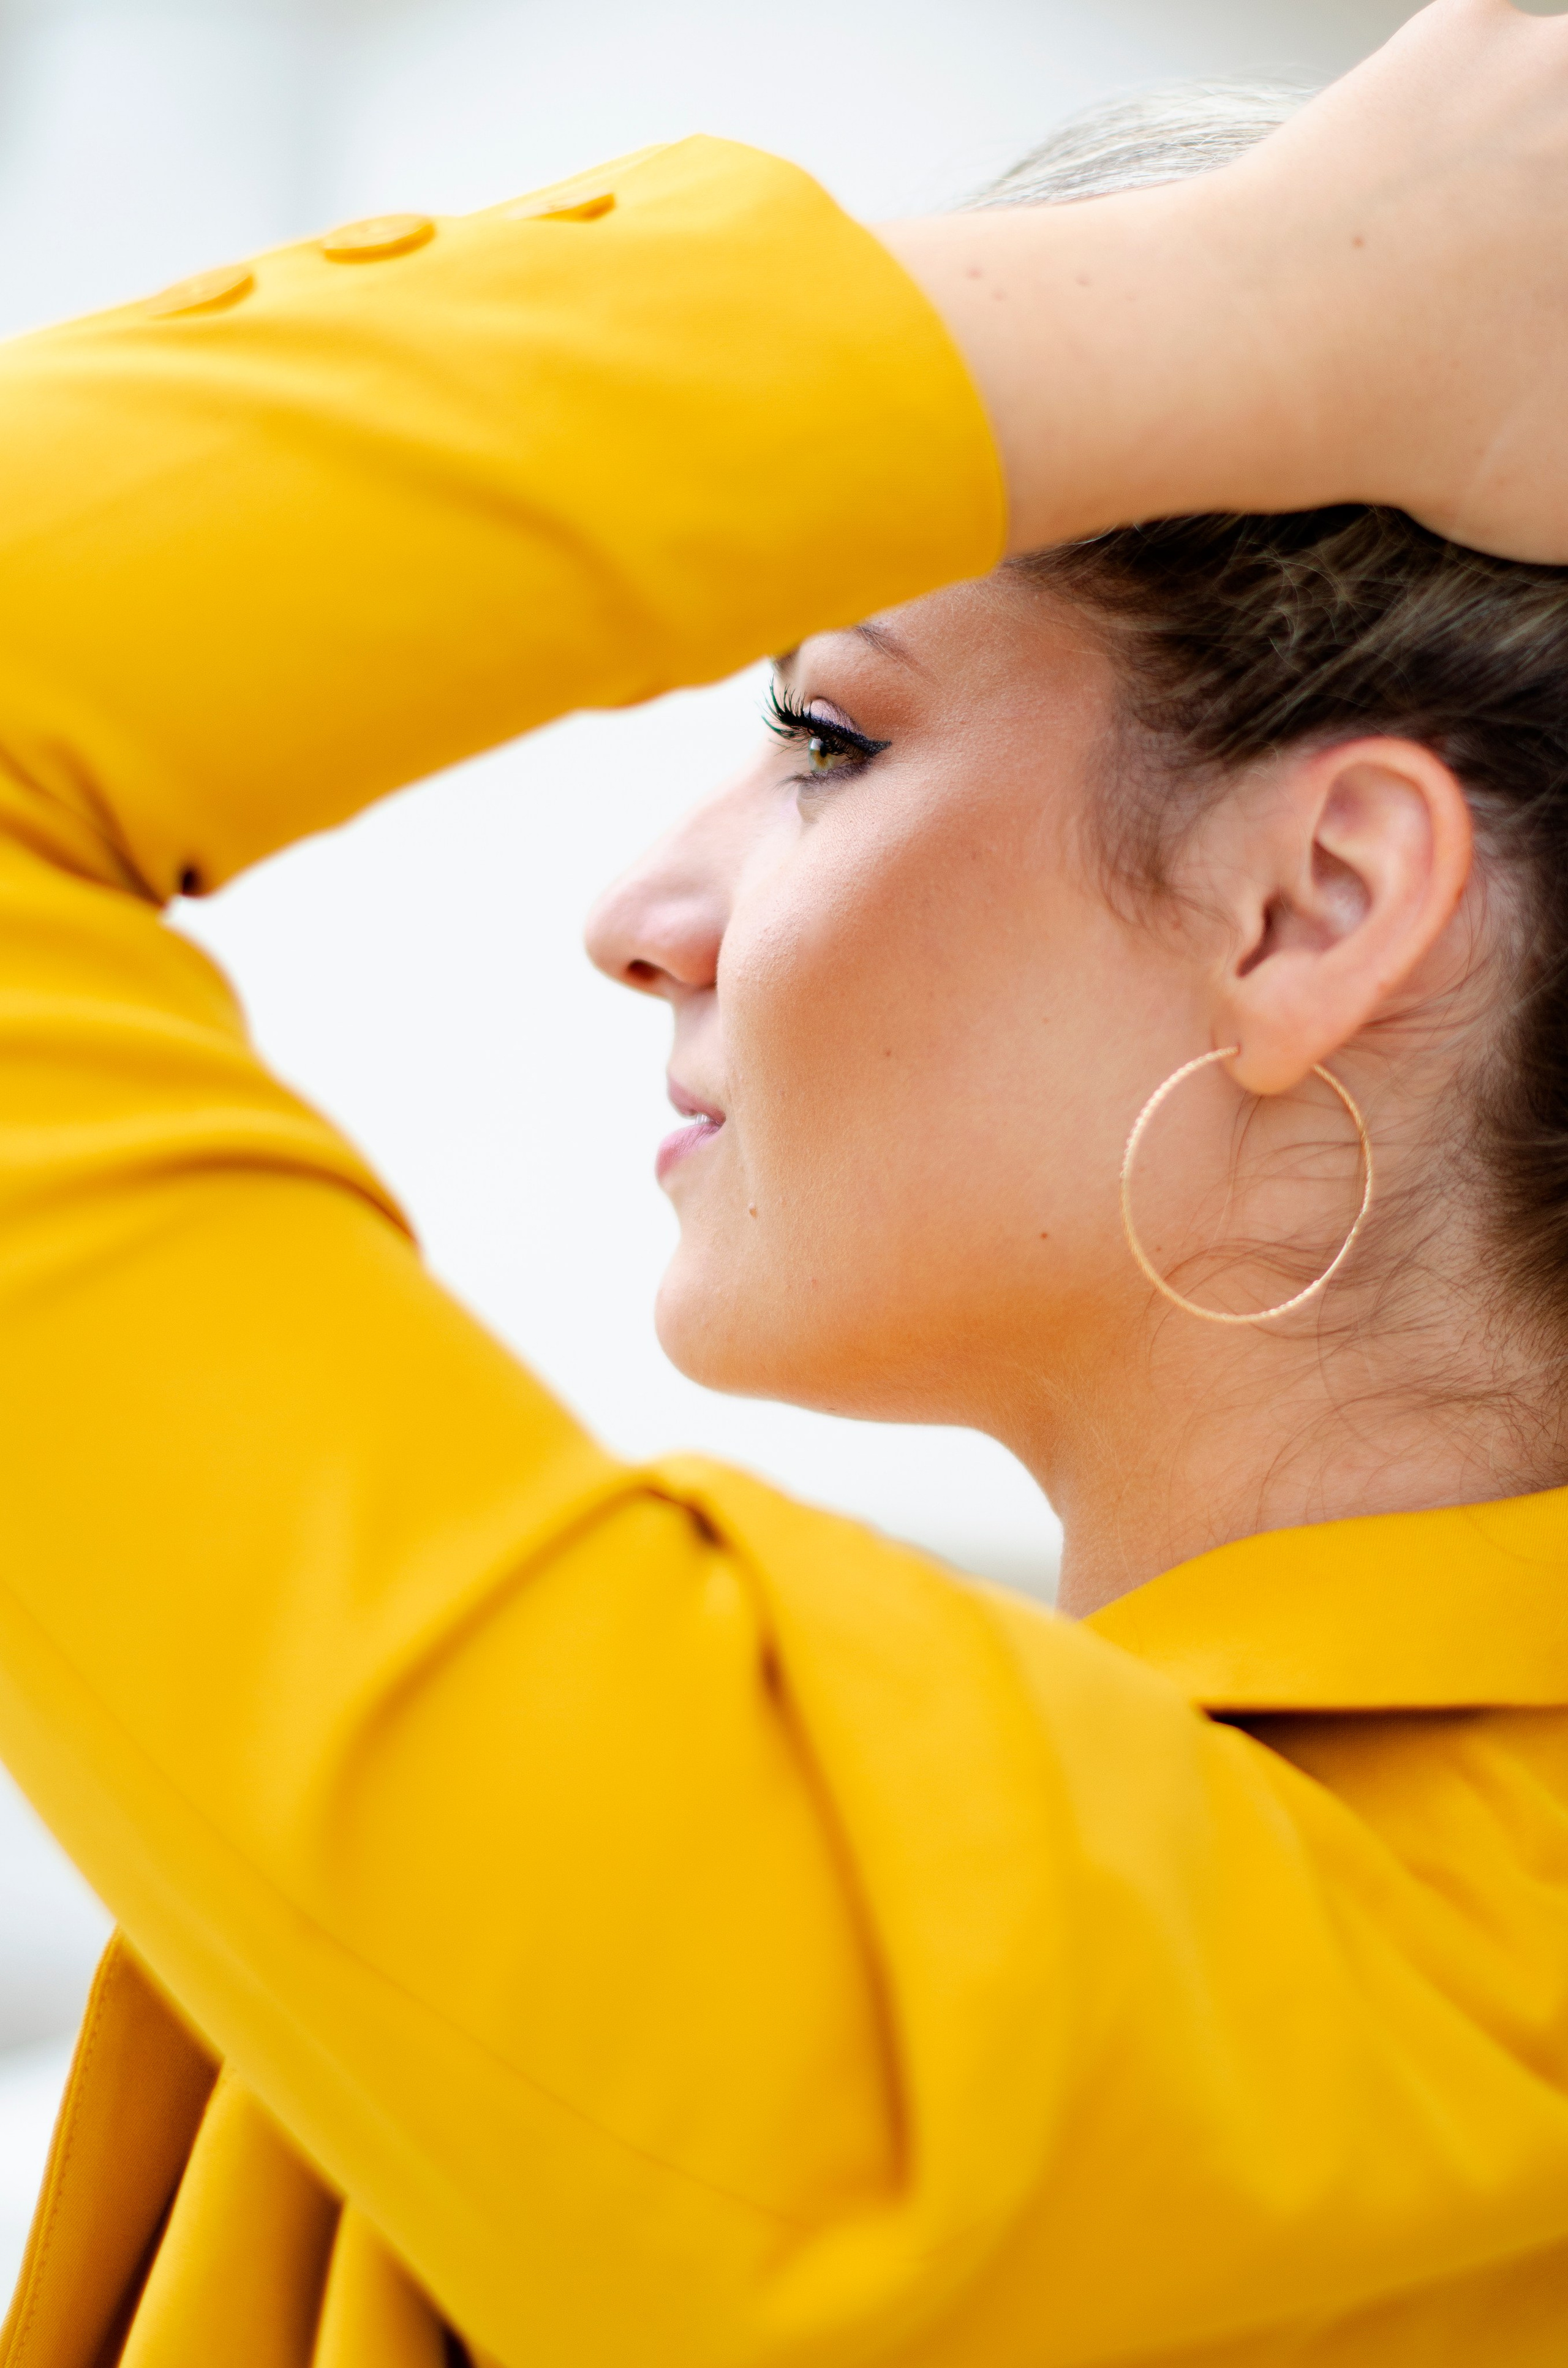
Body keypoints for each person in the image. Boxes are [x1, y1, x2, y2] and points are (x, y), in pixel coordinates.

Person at [4, 3, 1568, 2363]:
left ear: (1312, 908)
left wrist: (1266, 299)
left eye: (827, 736)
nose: (644, 907)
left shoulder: (1023, 2019)